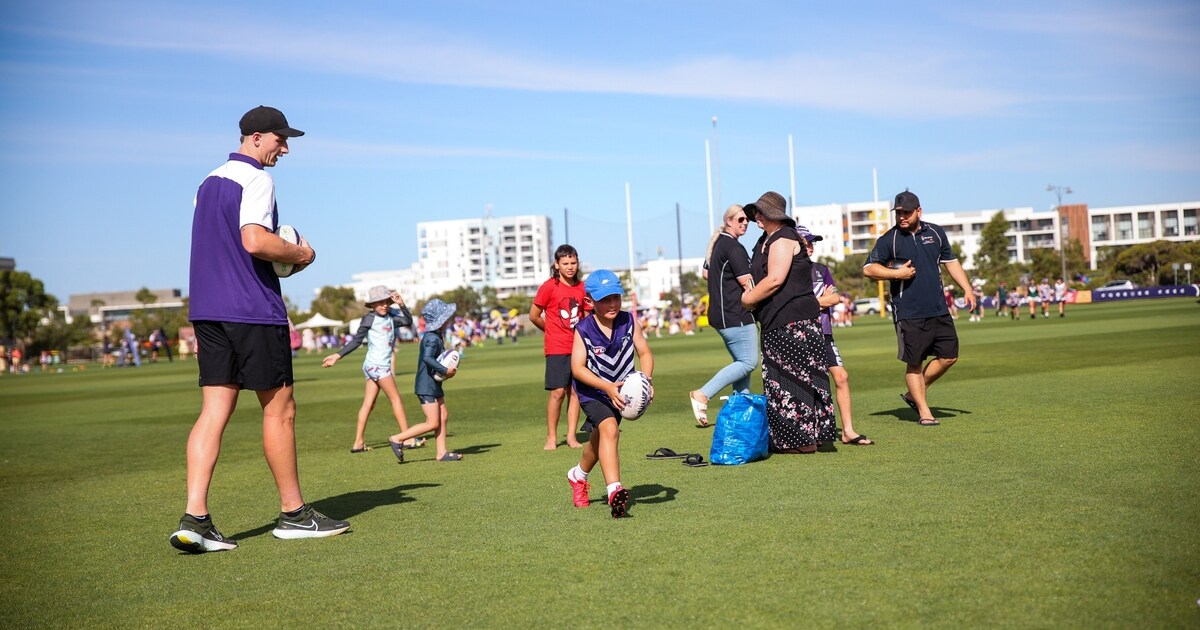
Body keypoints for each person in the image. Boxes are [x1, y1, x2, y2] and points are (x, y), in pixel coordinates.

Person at [170, 105, 349, 554]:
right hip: (251, 308)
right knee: (280, 409)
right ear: (254, 137)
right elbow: (253, 240)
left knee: (214, 411)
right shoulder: (258, 179)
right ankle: (294, 514)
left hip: (208, 311)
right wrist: (300, 255)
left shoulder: (206, 182)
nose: (284, 149)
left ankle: (196, 519)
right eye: (279, 139)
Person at [863, 190, 976, 427]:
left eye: (906, 212)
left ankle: (913, 393)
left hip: (938, 308)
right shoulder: (889, 239)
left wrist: (967, 288)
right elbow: (869, 269)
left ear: (919, 211)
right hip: (908, 312)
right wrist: (897, 273)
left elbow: (951, 262)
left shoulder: (935, 232)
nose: (902, 217)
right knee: (914, 362)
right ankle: (924, 411)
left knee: (949, 356)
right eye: (898, 213)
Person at [739, 191, 836, 454]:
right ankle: (798, 439)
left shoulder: (783, 237)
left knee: (795, 381)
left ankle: (802, 442)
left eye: (760, 212)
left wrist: (747, 300)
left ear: (772, 215)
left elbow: (774, 280)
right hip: (776, 320)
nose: (756, 217)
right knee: (783, 380)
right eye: (755, 213)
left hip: (793, 321)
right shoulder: (764, 240)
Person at [566, 269, 654, 518]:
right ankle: (615, 490)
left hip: (622, 392)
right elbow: (577, 368)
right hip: (593, 391)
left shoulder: (629, 321)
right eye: (604, 299)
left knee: (600, 437)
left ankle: (578, 476)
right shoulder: (583, 329)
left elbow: (645, 354)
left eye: (615, 296)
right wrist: (606, 387)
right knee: (610, 430)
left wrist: (645, 381)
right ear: (590, 301)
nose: (612, 303)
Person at [323, 286, 425, 453]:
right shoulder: (369, 319)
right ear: (372, 304)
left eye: (386, 302)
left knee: (368, 404)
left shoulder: (392, 317)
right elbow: (356, 341)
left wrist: (402, 304)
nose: (384, 305)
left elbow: (407, 321)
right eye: (380, 302)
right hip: (378, 366)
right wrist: (337, 355)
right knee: (396, 400)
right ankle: (407, 439)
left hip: (372, 366)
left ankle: (358, 443)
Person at [800, 226, 873, 446]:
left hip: (824, 334)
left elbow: (834, 299)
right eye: (806, 243)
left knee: (841, 377)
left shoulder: (822, 270)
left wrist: (809, 303)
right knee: (807, 384)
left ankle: (847, 431)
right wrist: (816, 301)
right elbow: (796, 306)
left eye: (812, 242)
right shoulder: (789, 274)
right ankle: (809, 432)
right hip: (800, 335)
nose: (811, 247)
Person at [689, 204, 758, 427]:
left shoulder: (718, 243)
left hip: (721, 314)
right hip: (734, 314)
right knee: (748, 362)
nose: (745, 223)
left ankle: (740, 413)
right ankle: (703, 393)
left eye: (747, 220)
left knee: (741, 364)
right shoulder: (733, 247)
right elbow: (748, 283)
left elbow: (705, 273)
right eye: (740, 220)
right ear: (728, 221)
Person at [530, 244, 589, 450]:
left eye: (573, 263)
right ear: (557, 264)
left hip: (579, 347)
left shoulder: (582, 288)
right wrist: (551, 330)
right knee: (557, 392)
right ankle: (552, 437)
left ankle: (572, 436)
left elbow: (587, 316)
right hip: (556, 347)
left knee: (575, 392)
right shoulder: (548, 287)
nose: (570, 267)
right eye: (565, 263)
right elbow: (533, 315)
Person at [388, 298, 462, 462]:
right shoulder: (431, 338)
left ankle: (441, 452)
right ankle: (397, 439)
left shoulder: (436, 335)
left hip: (433, 383)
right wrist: (444, 370)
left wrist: (444, 373)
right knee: (432, 423)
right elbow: (428, 358)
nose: (449, 320)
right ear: (440, 320)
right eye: (446, 317)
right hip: (426, 385)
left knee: (443, 415)